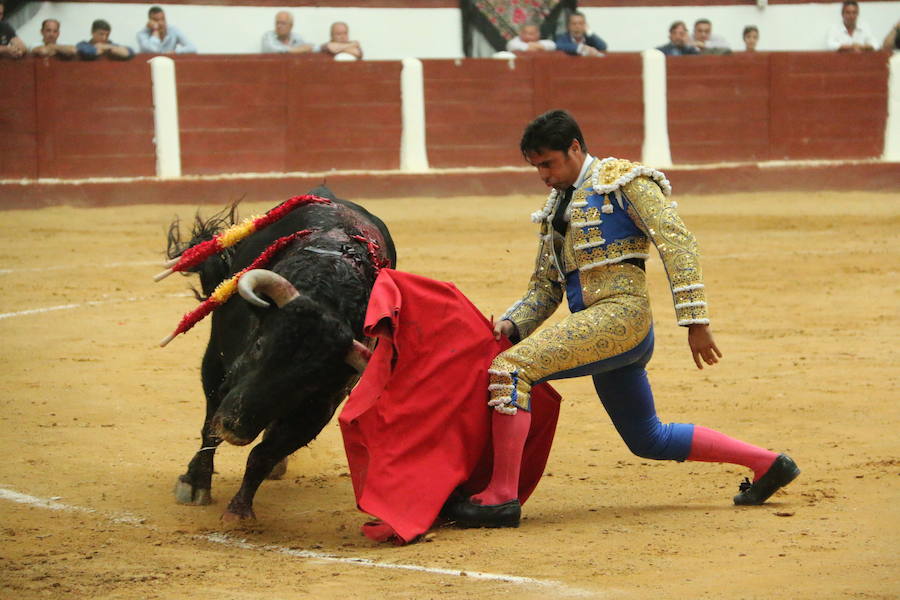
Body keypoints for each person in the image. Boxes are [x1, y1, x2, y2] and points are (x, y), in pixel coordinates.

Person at [443, 109, 801, 528]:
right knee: (648, 438)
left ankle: (502, 498)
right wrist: (512, 323)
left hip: (621, 317)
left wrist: (695, 321)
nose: (542, 174)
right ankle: (769, 464)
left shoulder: (623, 180)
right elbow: (546, 286)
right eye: (536, 166)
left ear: (574, 148)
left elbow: (678, 242)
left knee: (511, 369)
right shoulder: (557, 205)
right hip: (601, 327)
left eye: (548, 163)